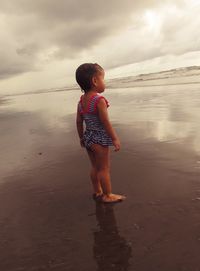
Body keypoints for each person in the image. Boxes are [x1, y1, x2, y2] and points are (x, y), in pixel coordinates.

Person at [75, 63, 126, 203]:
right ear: (95, 81)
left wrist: (81, 138)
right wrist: (114, 138)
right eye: (103, 79)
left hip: (89, 138)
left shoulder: (81, 102)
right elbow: (105, 122)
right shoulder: (99, 100)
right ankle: (108, 195)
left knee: (95, 167)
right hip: (99, 139)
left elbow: (79, 122)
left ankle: (98, 191)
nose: (105, 82)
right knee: (104, 168)